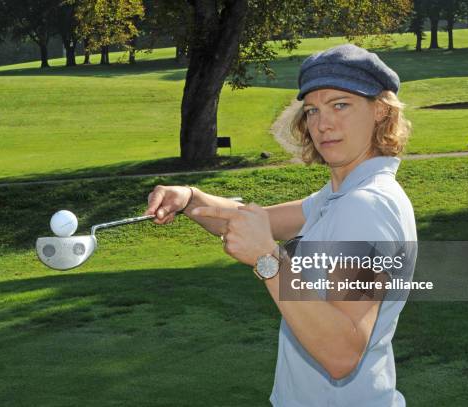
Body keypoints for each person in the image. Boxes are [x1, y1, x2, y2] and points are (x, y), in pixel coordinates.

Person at [144, 44, 416, 406]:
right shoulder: (339, 197)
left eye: (340, 105)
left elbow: (343, 352)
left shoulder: (366, 208)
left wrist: (269, 261)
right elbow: (256, 222)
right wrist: (192, 198)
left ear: (380, 111)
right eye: (312, 110)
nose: (323, 124)